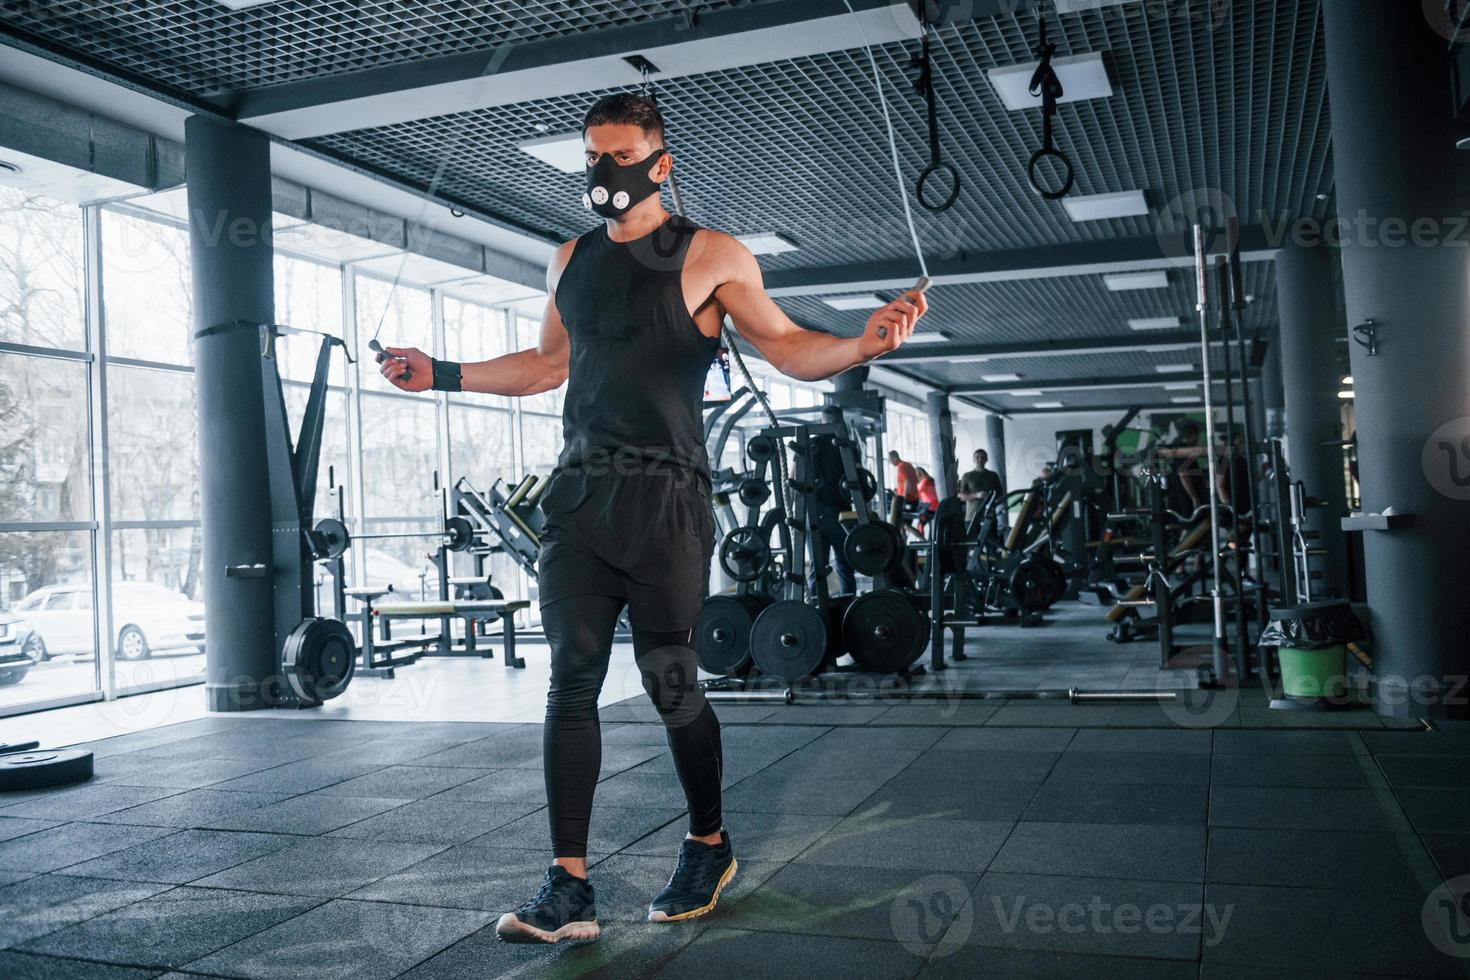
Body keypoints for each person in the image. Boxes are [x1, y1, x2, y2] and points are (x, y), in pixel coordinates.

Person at [377, 92, 927, 944]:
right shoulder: (568, 259)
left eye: (620, 155)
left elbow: (784, 346)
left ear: (660, 165)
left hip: (668, 503)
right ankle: (568, 890)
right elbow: (545, 366)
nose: (603, 172)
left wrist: (861, 345)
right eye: (592, 156)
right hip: (580, 501)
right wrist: (440, 373)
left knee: (672, 682)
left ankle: (708, 840)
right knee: (573, 675)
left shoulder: (713, 256)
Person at [807, 415, 857, 596]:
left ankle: (814, 609)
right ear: (840, 421)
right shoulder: (846, 445)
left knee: (817, 568)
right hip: (841, 514)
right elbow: (858, 480)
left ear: (821, 421)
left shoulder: (811, 443)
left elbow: (794, 476)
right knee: (845, 566)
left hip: (815, 513)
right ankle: (848, 606)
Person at [957, 448, 1003, 525]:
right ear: (974, 460)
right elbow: (960, 496)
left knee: (991, 537)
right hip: (972, 517)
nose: (980, 459)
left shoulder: (993, 475)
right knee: (972, 537)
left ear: (986, 459)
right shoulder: (967, 476)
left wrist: (990, 497)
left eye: (982, 457)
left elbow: (1000, 493)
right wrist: (976, 495)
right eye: (977, 457)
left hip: (989, 516)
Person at [887, 450, 920, 527]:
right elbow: (915, 481)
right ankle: (902, 539)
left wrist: (903, 500)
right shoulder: (908, 465)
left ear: (894, 458)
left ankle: (922, 538)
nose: (889, 462)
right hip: (913, 498)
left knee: (904, 524)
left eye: (890, 460)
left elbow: (907, 484)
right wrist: (898, 490)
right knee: (902, 524)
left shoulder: (901, 466)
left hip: (908, 499)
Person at [913, 465, 940, 537]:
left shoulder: (924, 482)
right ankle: (928, 541)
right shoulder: (931, 480)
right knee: (930, 526)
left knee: (920, 524)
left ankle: (922, 540)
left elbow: (915, 493)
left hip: (931, 508)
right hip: (937, 507)